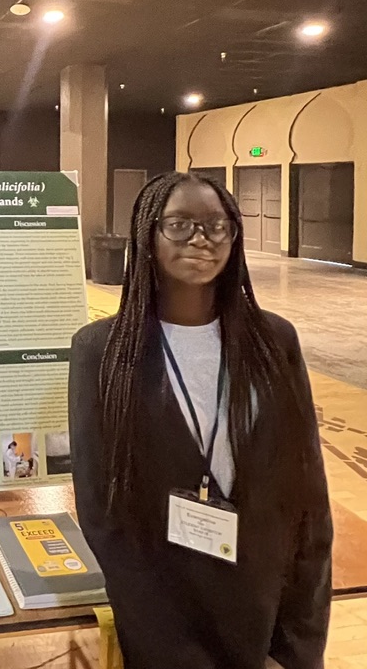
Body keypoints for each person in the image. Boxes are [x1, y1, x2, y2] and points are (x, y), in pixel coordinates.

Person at [69, 172, 331, 669]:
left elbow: (308, 506)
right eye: (180, 224)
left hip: (262, 614)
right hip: (164, 627)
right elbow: (105, 519)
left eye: (217, 225)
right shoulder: (102, 352)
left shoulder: (274, 342)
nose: (201, 238)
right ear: (148, 235)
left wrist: (296, 648)